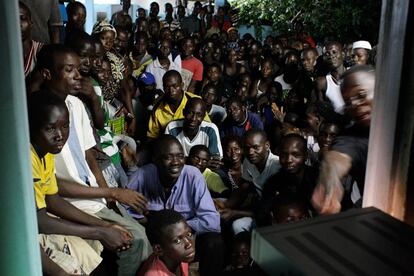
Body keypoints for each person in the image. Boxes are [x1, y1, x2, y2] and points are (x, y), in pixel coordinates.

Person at [36, 44, 152, 276]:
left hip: (93, 196)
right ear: (48, 74)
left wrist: (106, 192)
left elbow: (89, 155)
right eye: (70, 70)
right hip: (73, 202)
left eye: (78, 69)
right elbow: (52, 191)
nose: (78, 75)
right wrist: (113, 194)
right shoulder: (38, 113)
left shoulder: (75, 104)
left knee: (141, 235)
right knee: (136, 240)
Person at [28, 90, 132, 275]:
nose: (60, 135)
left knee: (99, 255)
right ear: (32, 127)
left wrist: (104, 226)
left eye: (65, 126)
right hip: (26, 234)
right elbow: (39, 221)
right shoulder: (29, 155)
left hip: (38, 225)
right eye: (50, 128)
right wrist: (100, 231)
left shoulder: (47, 150)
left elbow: (53, 200)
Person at [126, 135, 224, 276]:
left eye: (180, 156)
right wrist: (146, 221)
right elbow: (123, 210)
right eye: (168, 157)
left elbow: (212, 222)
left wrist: (177, 231)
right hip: (155, 240)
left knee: (214, 243)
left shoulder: (193, 176)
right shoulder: (142, 175)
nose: (176, 162)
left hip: (187, 238)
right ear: (155, 160)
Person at [312, 65, 375, 214]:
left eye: (361, 95)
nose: (354, 104)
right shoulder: (353, 135)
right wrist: (330, 180)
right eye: (348, 102)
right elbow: (337, 158)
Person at [257, 134, 317, 226]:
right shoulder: (273, 183)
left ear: (305, 156)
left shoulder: (318, 179)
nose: (289, 160)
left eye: (295, 155)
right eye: (284, 155)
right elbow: (263, 215)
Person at [147, 70, 210, 140]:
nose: (171, 90)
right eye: (167, 87)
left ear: (182, 85)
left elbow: (207, 128)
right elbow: (152, 137)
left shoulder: (195, 101)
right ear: (163, 88)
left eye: (175, 86)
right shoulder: (157, 108)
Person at [138, 210, 195, 276]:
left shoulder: (180, 258)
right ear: (158, 249)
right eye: (177, 241)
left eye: (189, 234)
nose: (188, 244)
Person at [315, 41, 346, 114]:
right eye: (327, 54)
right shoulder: (322, 82)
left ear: (343, 54)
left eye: (334, 52)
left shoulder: (353, 75)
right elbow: (321, 108)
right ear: (324, 58)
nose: (331, 56)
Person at [19, 1, 43, 78]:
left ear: (31, 24)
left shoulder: (41, 50)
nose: (18, 24)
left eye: (22, 18)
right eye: (12, 19)